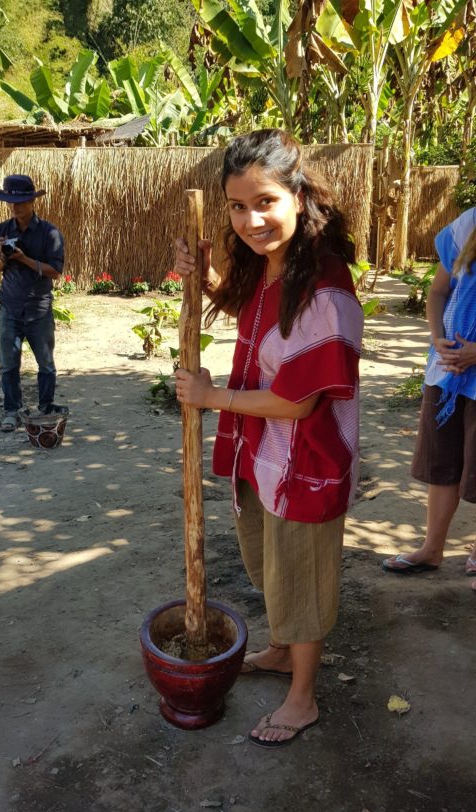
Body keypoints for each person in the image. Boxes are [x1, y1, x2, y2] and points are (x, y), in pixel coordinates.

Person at [174, 129, 363, 747]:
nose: (250, 220)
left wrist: (212, 398)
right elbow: (250, 313)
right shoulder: (270, 266)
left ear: (299, 196)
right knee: (273, 565)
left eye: (265, 202)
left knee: (302, 577)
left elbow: (298, 400)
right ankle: (283, 652)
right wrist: (203, 278)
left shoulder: (325, 288)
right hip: (265, 455)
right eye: (236, 205)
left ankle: (302, 697)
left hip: (307, 460)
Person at [382, 206, 476, 586]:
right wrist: (438, 339)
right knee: (442, 464)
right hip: (447, 374)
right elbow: (438, 292)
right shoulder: (469, 225)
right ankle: (431, 548)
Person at [0, 174, 65, 432]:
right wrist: (3, 256)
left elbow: (55, 271)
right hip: (9, 307)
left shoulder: (49, 232)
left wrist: (23, 259)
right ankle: (12, 411)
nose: (15, 206)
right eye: (11, 201)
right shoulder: (1, 231)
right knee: (8, 364)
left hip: (39, 308)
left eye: (21, 201)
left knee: (46, 363)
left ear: (32, 201)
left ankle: (45, 408)